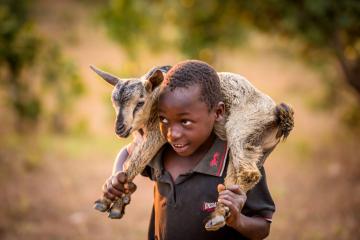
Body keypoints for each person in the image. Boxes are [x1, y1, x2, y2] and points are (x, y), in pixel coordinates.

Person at [102, 60, 275, 240]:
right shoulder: (161, 152)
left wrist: (237, 220)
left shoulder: (236, 163)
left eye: (185, 121)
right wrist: (117, 175)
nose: (173, 134)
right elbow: (127, 152)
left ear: (218, 112)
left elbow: (263, 227)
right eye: (163, 119)